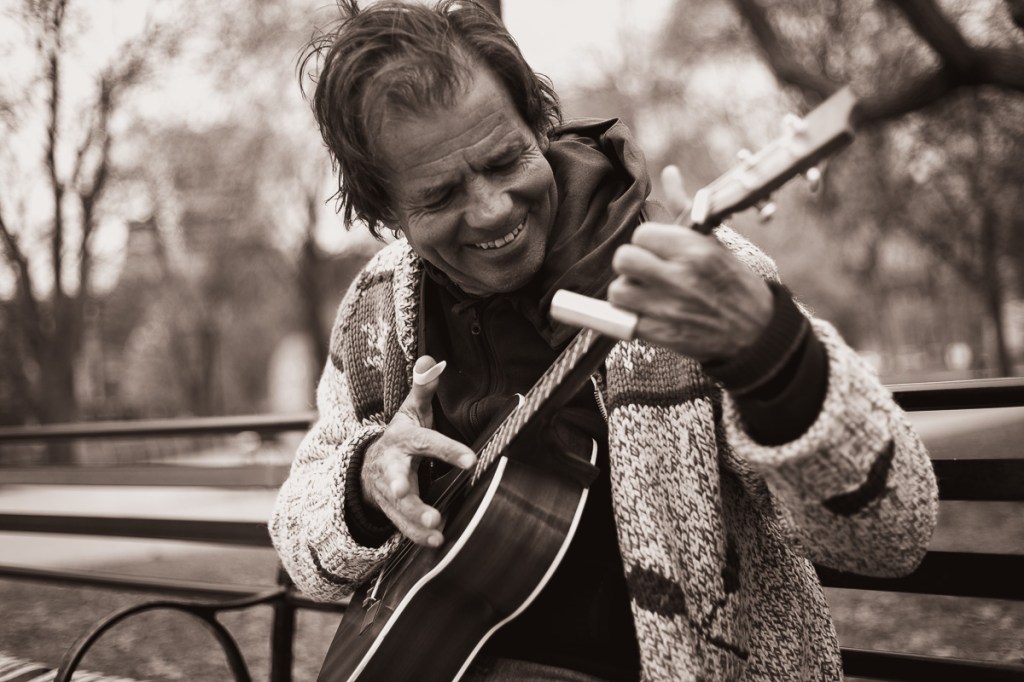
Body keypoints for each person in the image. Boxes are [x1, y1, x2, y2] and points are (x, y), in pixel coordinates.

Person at [269, 1, 938, 680]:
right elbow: (301, 544)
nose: (492, 209)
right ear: (385, 213)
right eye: (440, 197)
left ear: (539, 126)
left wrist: (773, 353)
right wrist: (364, 482)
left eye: (505, 161)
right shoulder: (377, 310)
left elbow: (893, 534)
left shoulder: (695, 275)